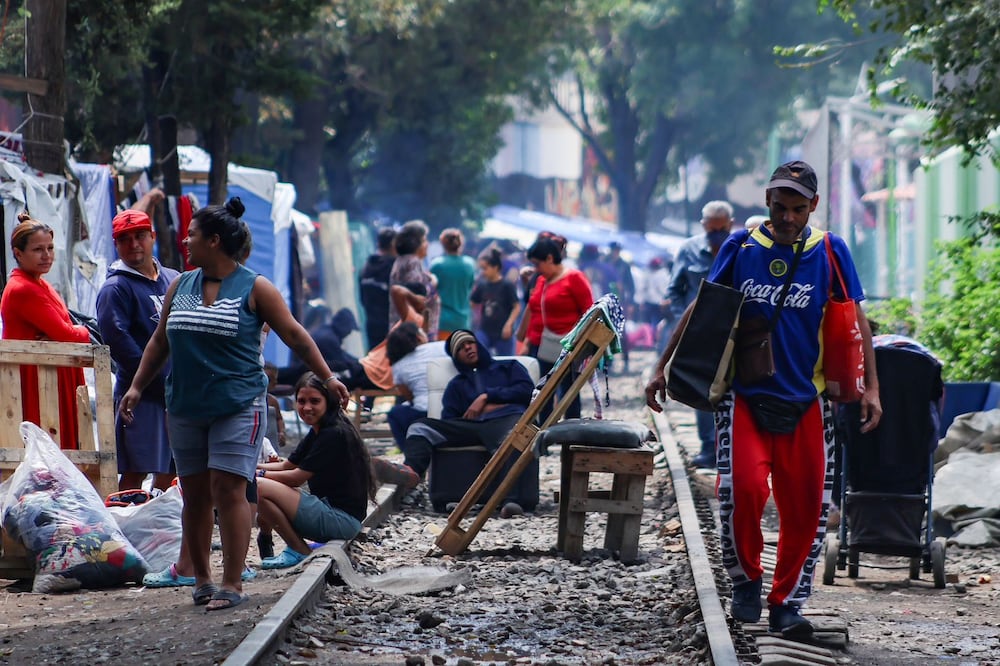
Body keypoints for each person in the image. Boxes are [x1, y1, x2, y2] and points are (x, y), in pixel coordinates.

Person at [644, 161, 882, 638]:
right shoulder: (741, 246)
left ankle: (787, 603)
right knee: (744, 493)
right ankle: (747, 581)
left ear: (813, 206)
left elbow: (856, 322)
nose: (788, 217)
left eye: (797, 208)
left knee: (808, 508)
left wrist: (871, 387)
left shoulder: (832, 252)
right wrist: (661, 365)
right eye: (779, 207)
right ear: (767, 203)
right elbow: (704, 306)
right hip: (746, 398)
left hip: (807, 401)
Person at [119, 197, 350, 611]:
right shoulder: (179, 285)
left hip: (238, 405)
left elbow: (295, 335)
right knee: (194, 493)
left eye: (191, 234)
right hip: (185, 406)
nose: (184, 240)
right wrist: (137, 387)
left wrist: (329, 377)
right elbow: (159, 342)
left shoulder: (256, 287)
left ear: (214, 240)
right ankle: (202, 579)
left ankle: (232, 581)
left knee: (228, 488)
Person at [254, 372, 377, 569]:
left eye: (314, 401)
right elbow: (287, 465)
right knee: (258, 488)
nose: (307, 407)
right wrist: (250, 466)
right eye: (301, 401)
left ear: (328, 402)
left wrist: (256, 475)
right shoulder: (321, 429)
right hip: (333, 513)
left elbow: (295, 477)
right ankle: (287, 544)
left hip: (341, 521)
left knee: (257, 486)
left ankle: (298, 550)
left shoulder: (333, 434)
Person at [96, 209, 181, 491]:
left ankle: (162, 530)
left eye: (140, 236)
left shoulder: (173, 279)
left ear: (153, 237)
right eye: (125, 238)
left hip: (177, 393)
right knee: (136, 469)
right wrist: (153, 382)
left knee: (173, 468)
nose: (134, 244)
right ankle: (124, 528)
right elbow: (119, 343)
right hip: (140, 393)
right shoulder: (115, 288)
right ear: (116, 244)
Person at [0, 211, 91, 449]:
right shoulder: (23, 289)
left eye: (50, 248)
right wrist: (83, 330)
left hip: (50, 382)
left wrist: (67, 333)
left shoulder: (40, 283)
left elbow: (64, 333)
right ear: (18, 254)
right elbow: (69, 335)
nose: (47, 255)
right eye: (38, 249)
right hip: (35, 387)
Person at [400, 330, 533, 484]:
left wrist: (486, 397)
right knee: (419, 427)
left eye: (470, 343)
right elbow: (450, 419)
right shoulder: (456, 385)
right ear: (456, 358)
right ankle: (410, 474)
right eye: (461, 347)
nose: (468, 348)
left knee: (515, 437)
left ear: (478, 345)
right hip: (471, 427)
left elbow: (527, 391)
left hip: (506, 420)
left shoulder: (508, 367)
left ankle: (512, 501)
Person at [662, 200, 735, 469]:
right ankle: (708, 448)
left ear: (731, 224)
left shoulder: (740, 248)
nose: (717, 234)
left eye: (722, 229)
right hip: (698, 333)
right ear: (703, 226)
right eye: (712, 229)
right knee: (702, 389)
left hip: (732, 332)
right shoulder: (689, 249)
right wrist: (684, 323)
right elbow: (674, 290)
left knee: (729, 391)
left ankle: (728, 446)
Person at [517, 235, 593, 422]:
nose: (536, 269)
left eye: (537, 264)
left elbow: (590, 312)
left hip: (570, 345)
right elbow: (533, 307)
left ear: (550, 258)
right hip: (546, 344)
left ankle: (571, 434)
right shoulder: (543, 281)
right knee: (544, 392)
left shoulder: (574, 278)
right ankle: (543, 434)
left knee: (569, 392)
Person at [385, 321, 447, 449]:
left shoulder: (398, 366)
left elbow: (410, 398)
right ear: (419, 337)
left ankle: (410, 454)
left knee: (395, 414)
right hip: (453, 411)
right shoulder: (443, 346)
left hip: (424, 416)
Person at [389, 220, 439, 338]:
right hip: (415, 335)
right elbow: (418, 298)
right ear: (416, 244)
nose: (427, 244)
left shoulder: (403, 261)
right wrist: (433, 283)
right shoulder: (412, 263)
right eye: (425, 240)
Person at [469, 245, 521, 356]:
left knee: (506, 362)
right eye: (482, 269)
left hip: (502, 331)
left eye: (486, 268)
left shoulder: (507, 285)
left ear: (496, 267)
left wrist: (509, 324)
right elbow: (473, 303)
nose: (483, 272)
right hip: (485, 330)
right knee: (481, 356)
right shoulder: (482, 285)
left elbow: (516, 306)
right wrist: (475, 318)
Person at [430, 228, 476, 341]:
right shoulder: (470, 264)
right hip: (463, 321)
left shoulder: (437, 264)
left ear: (443, 244)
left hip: (442, 320)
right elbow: (470, 287)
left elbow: (431, 291)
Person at [359, 227, 397, 349]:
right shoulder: (394, 267)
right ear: (393, 244)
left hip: (372, 324)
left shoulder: (366, 268)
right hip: (392, 326)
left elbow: (362, 299)